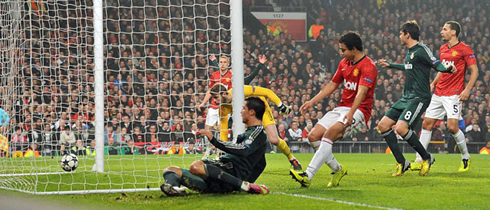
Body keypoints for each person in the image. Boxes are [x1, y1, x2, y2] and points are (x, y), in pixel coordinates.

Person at [290, 32, 377, 188]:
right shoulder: (344, 63)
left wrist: (351, 114)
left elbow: (362, 92)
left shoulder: (368, 66)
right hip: (341, 107)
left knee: (330, 133)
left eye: (343, 50)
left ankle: (307, 175)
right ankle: (338, 169)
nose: (341, 53)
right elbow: (332, 85)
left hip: (359, 111)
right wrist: (312, 101)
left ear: (354, 49)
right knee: (313, 136)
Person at [377, 20, 456, 176]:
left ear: (407, 34)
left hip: (419, 97)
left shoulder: (421, 49)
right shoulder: (409, 52)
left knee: (400, 128)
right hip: (407, 96)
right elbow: (408, 67)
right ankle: (402, 162)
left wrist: (447, 68)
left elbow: (436, 63)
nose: (399, 36)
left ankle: (426, 158)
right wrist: (391, 65)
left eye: (400, 33)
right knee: (383, 125)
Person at [161, 97, 270, 196]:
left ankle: (244, 185)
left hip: (229, 172)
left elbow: (244, 149)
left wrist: (214, 140)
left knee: (196, 166)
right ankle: (173, 188)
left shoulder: (258, 132)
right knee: (170, 170)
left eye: (243, 108)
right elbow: (262, 163)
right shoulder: (250, 133)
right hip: (219, 177)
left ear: (251, 112)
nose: (241, 112)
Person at [411, 21, 478, 172]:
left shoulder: (464, 49)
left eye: (445, 29)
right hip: (438, 92)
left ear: (453, 32)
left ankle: (465, 157)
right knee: (427, 124)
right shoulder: (443, 48)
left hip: (453, 94)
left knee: (452, 127)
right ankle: (419, 159)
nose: (441, 31)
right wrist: (433, 83)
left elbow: (475, 70)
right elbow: (441, 69)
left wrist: (467, 89)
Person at [210, 83, 302, 171]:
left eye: (216, 97)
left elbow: (267, 92)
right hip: (249, 117)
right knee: (245, 142)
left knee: (274, 140)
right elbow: (224, 130)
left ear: (225, 94)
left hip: (262, 110)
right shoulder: (222, 109)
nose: (214, 101)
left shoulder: (240, 91)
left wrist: (280, 105)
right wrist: (222, 148)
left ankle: (292, 158)